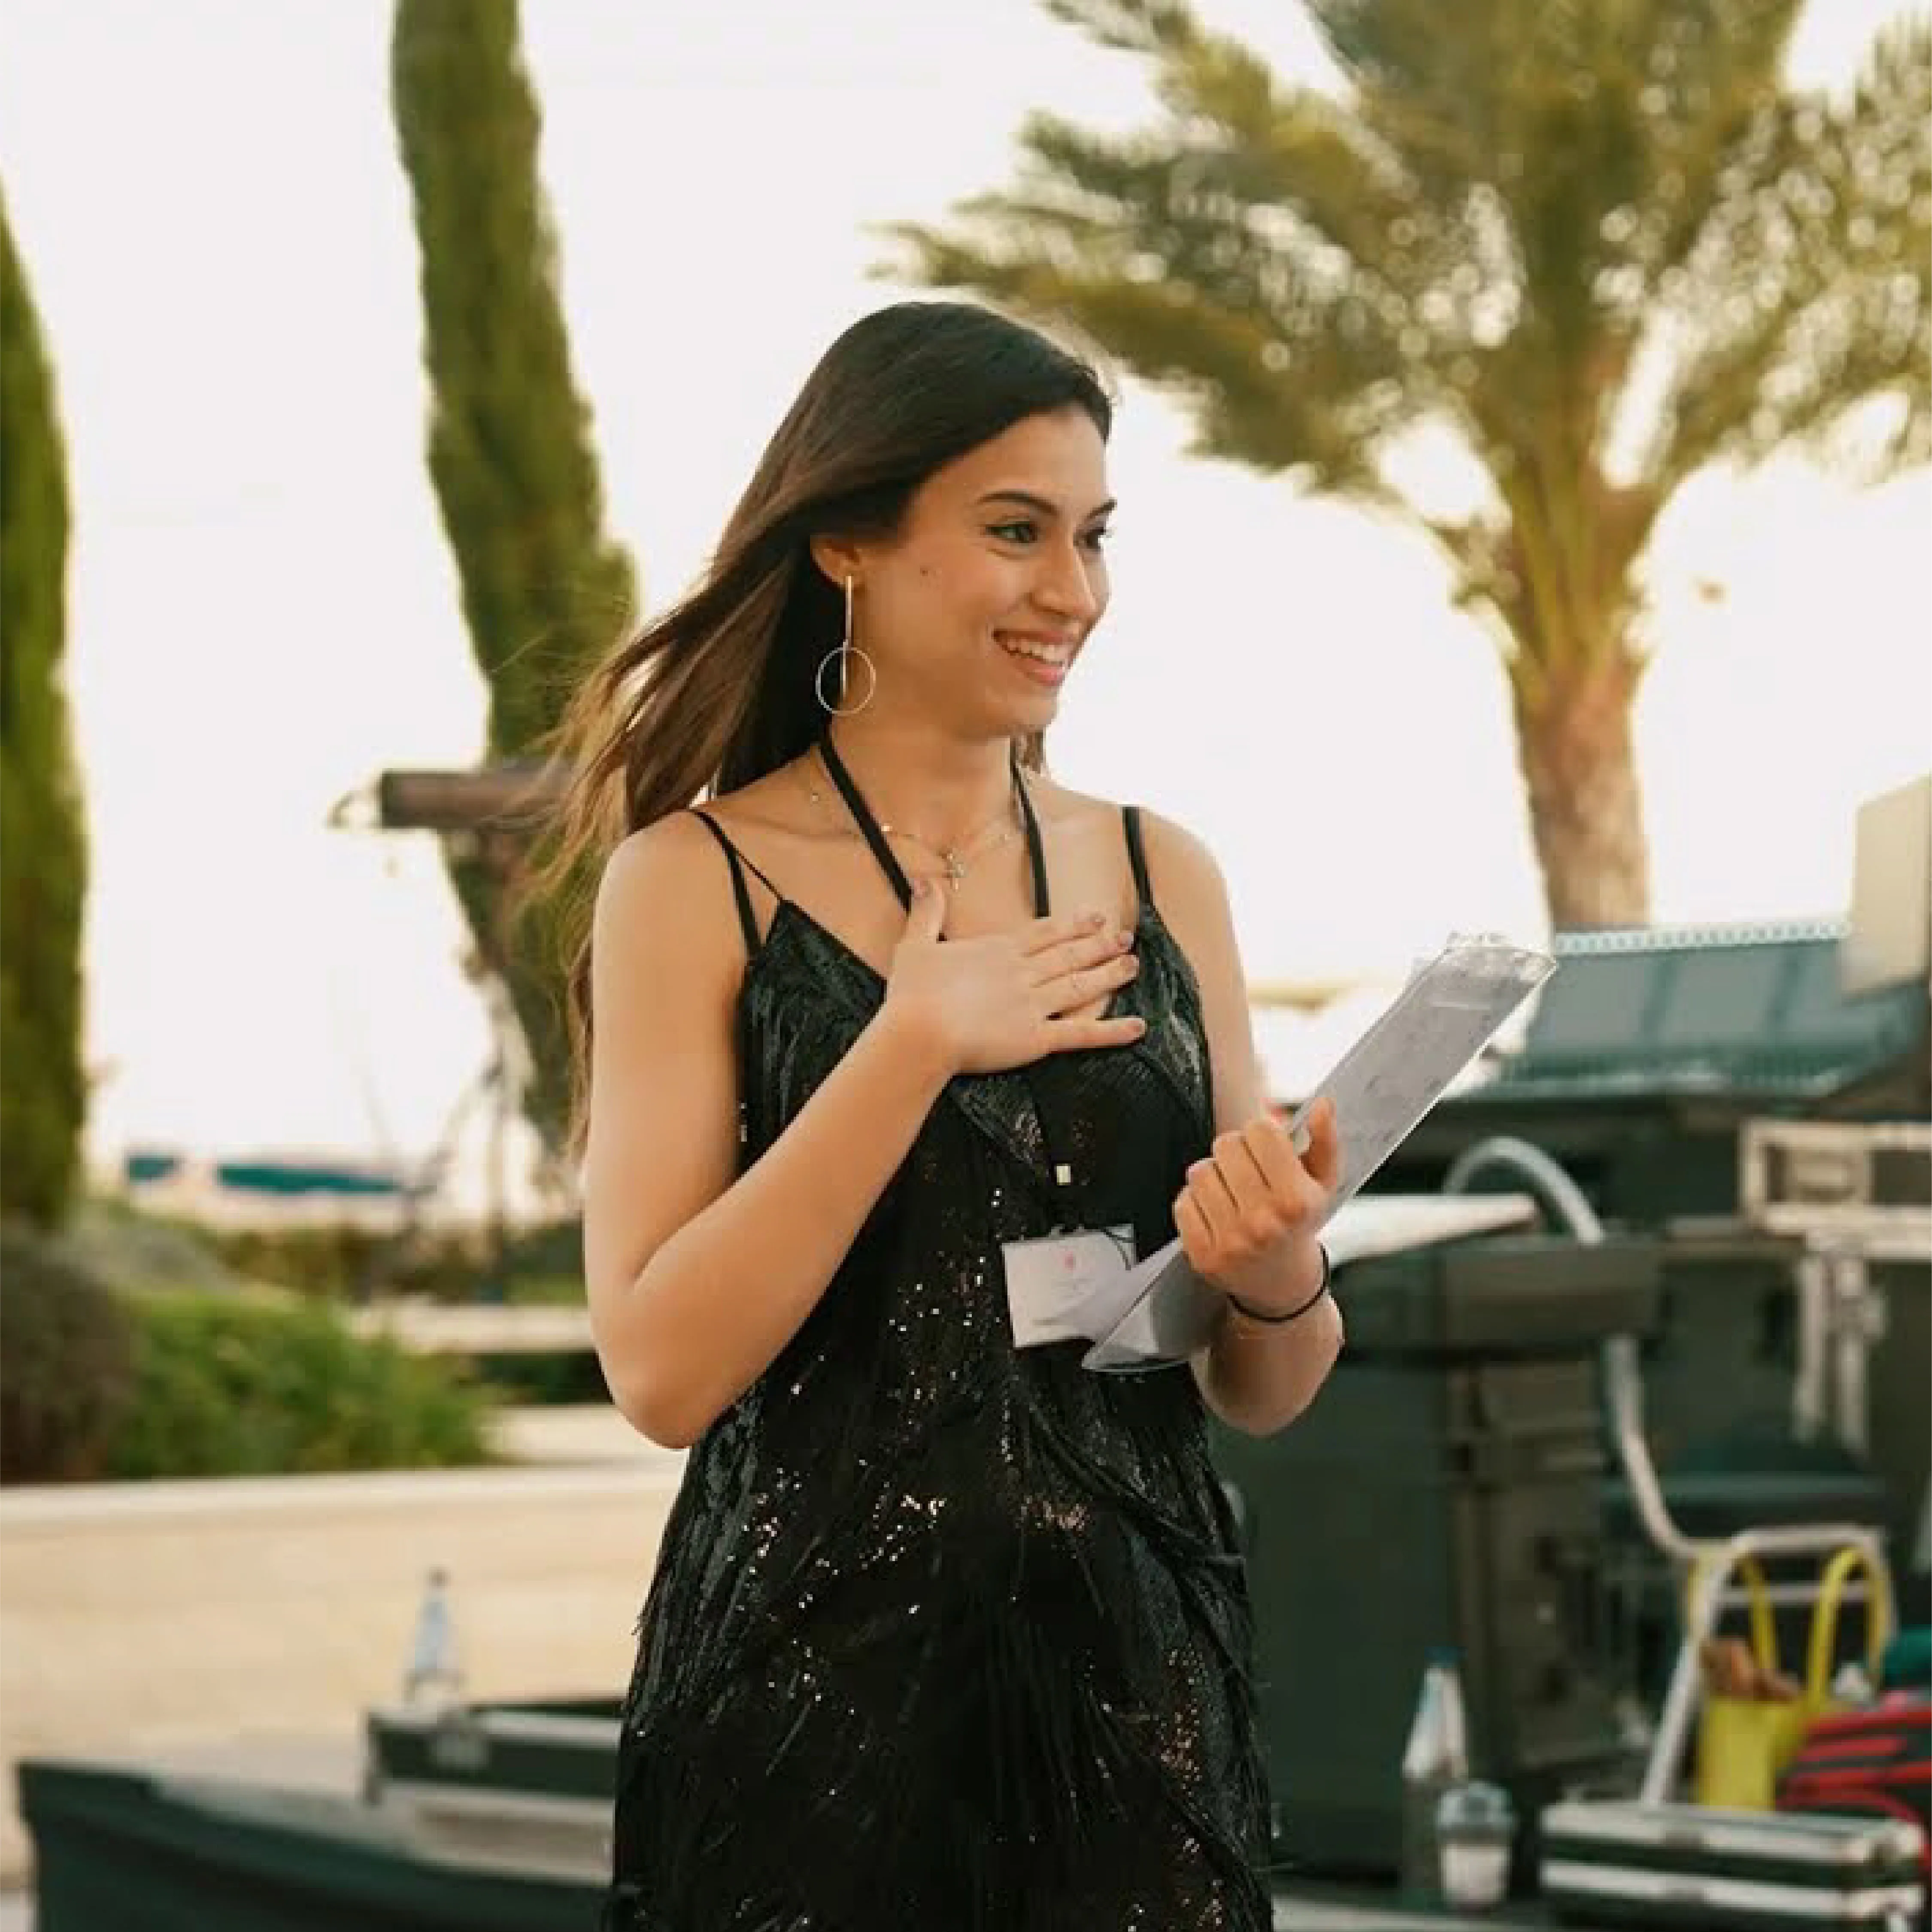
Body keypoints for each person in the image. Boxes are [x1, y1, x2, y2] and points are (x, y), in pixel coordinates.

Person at [543, 300, 1345, 1931]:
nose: (1073, 592)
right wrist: (906, 1046)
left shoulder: (1158, 870)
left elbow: (1264, 1385)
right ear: (849, 540)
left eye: (1093, 538)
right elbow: (659, 1368)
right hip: (807, 1710)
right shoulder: (694, 884)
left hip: (1140, 1705)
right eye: (1012, 531)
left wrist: (1276, 1261)